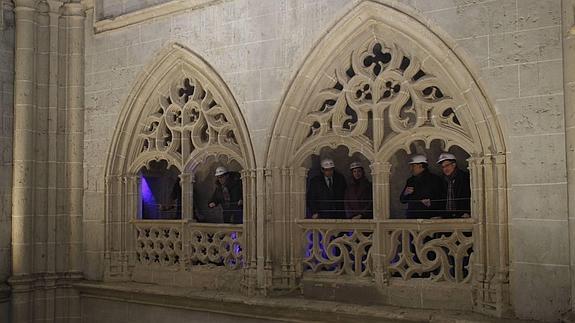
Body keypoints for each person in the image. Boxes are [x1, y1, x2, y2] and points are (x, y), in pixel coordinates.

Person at [399, 154, 445, 219]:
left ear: (421, 166)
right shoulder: (410, 180)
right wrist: (405, 193)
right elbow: (402, 200)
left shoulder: (435, 179)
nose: (411, 169)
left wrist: (431, 203)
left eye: (413, 166)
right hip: (412, 218)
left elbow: (442, 199)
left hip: (429, 218)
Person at [437, 153, 471, 218]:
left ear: (454, 164)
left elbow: (468, 195)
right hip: (446, 216)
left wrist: (467, 212)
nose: (445, 169)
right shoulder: (441, 180)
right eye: (443, 167)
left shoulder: (464, 177)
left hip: (462, 215)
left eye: (447, 165)